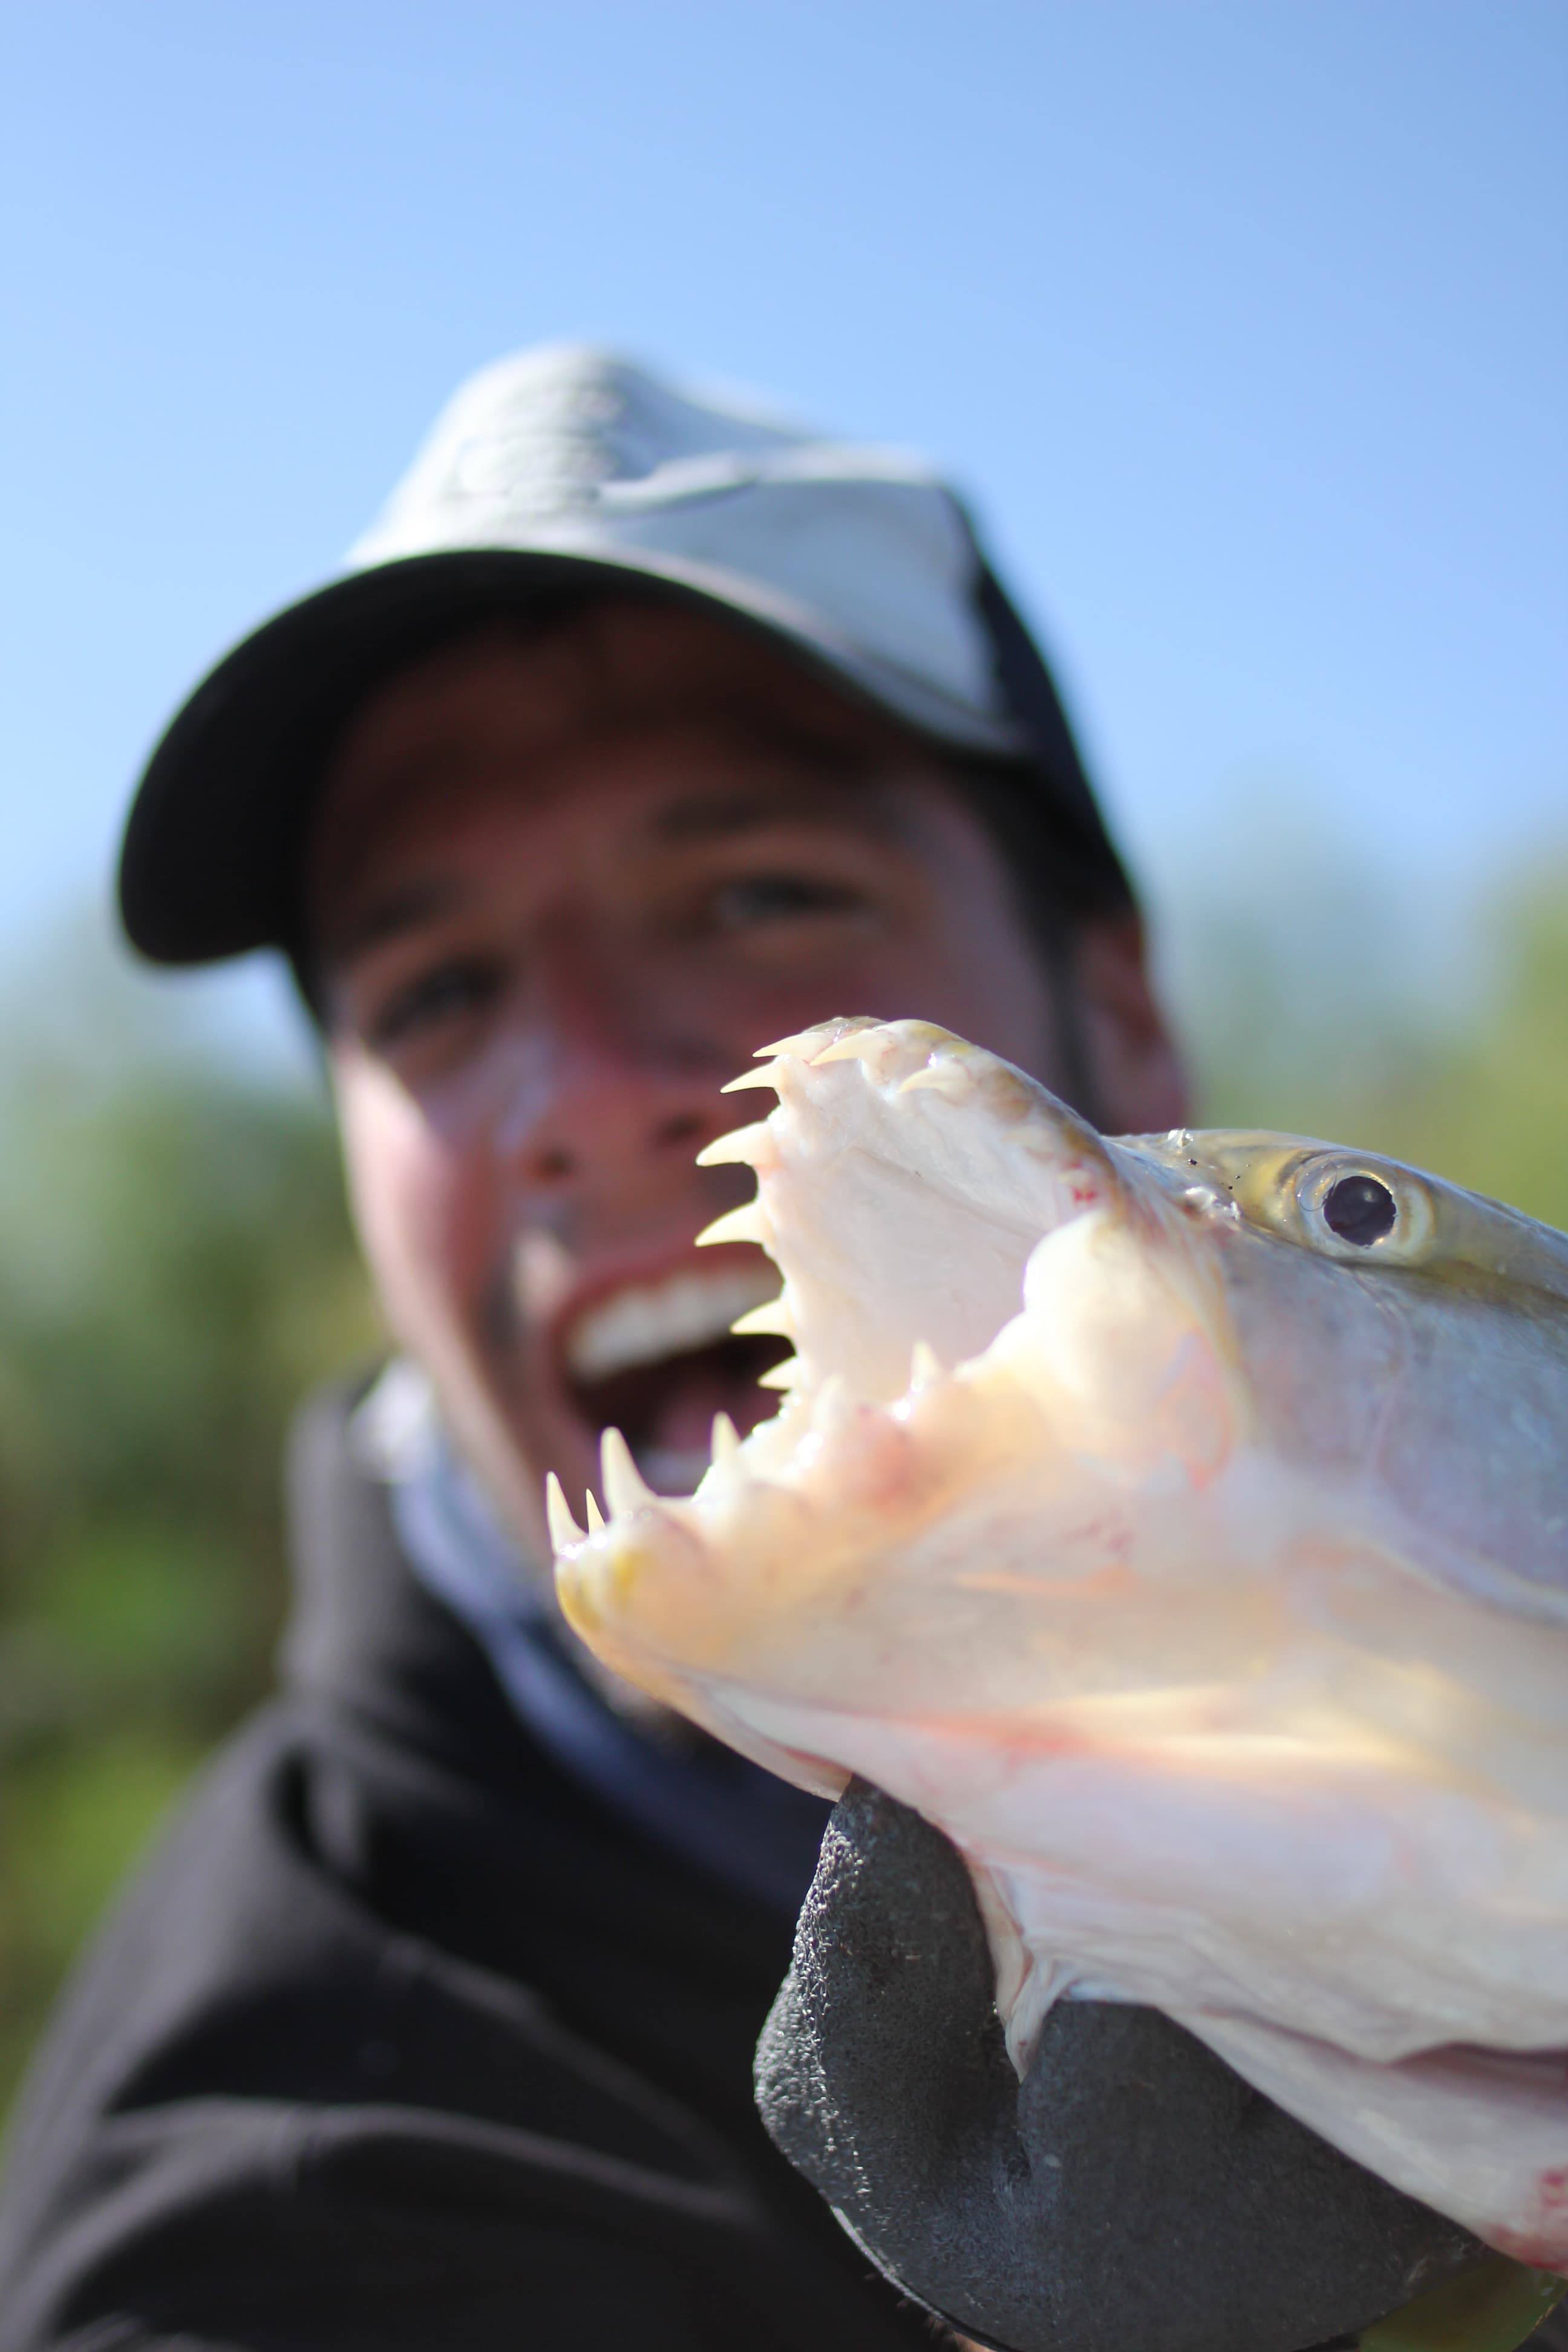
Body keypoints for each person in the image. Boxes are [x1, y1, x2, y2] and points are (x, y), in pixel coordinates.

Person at [0, 344, 1183, 2350]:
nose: (578, 1085)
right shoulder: (276, 2232)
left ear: (1122, 1023)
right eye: (438, 989)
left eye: (755, 891)